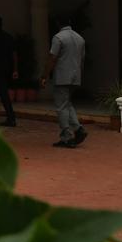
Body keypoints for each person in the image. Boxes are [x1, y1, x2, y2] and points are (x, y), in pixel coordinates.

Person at [42, 17, 87, 148]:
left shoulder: (58, 37)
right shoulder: (80, 38)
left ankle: (66, 136)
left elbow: (52, 57)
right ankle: (78, 129)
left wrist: (44, 75)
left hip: (62, 77)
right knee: (67, 103)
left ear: (58, 23)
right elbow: (82, 60)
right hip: (75, 76)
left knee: (61, 106)